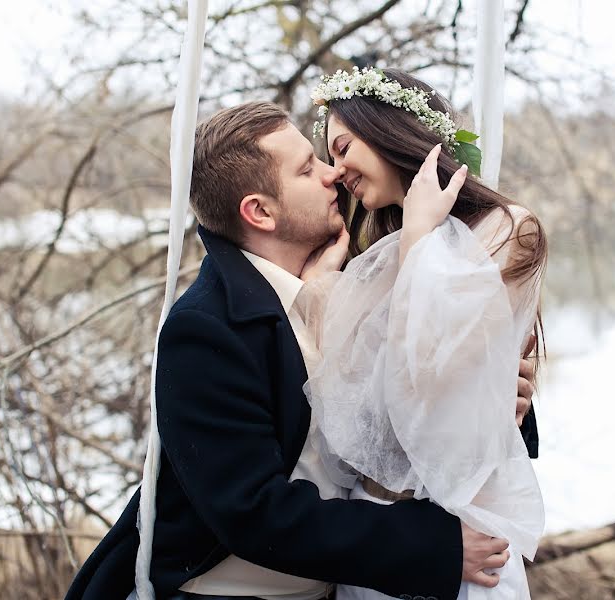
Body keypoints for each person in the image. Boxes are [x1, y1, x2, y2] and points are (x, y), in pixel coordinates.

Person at [64, 100, 539, 600]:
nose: (333, 174)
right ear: (261, 211)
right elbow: (256, 514)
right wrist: (434, 546)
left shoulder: (343, 278)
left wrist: (501, 396)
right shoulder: (207, 330)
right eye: (307, 168)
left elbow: (402, 406)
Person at [296, 67, 549, 600]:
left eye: (343, 148)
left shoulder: (506, 229)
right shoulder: (376, 251)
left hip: (459, 542)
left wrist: (417, 237)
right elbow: (346, 412)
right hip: (377, 544)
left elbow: (427, 385)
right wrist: (322, 289)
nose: (337, 171)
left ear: (390, 129)